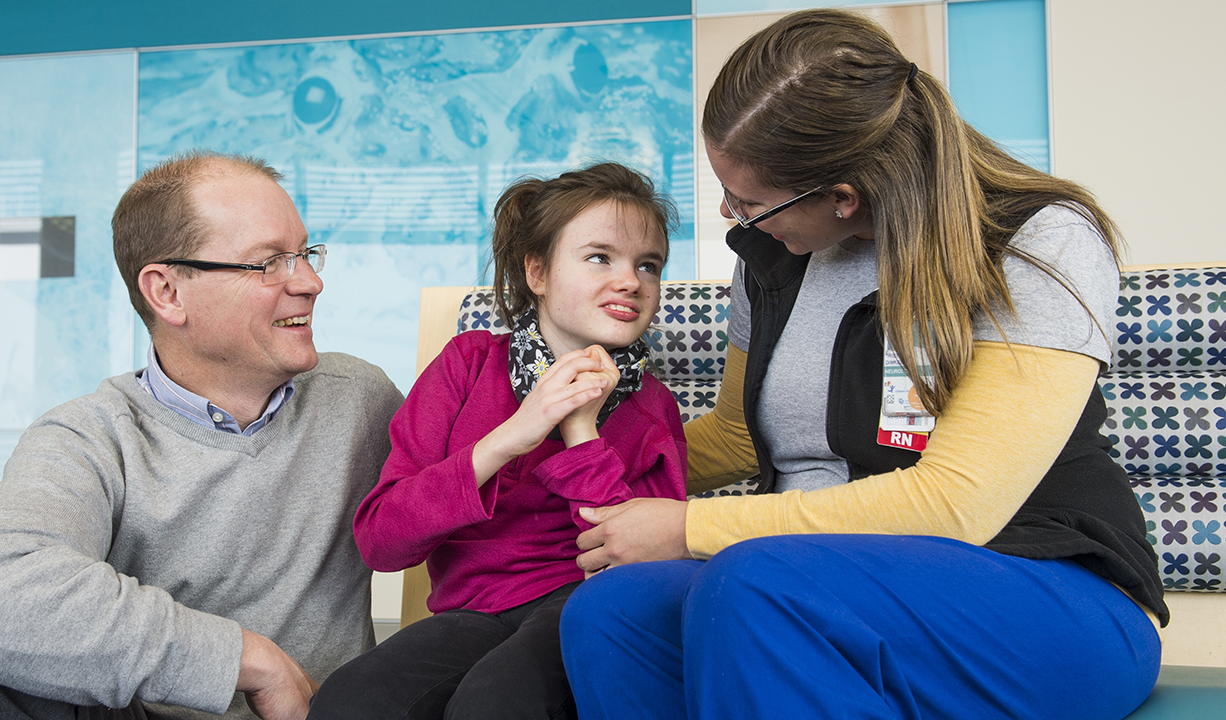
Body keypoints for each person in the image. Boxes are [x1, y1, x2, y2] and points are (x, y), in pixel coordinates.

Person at [563, 10, 1165, 720]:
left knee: (757, 583)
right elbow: (736, 435)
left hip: (1047, 592)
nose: (731, 213)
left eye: (749, 201)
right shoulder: (769, 257)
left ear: (842, 197)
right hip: (805, 584)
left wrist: (688, 528)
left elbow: (956, 504)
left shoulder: (1039, 240)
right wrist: (557, 454)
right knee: (611, 610)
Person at [0, 151, 403, 720]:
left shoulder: (359, 398)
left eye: (305, 254)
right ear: (166, 293)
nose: (310, 282)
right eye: (269, 263)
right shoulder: (90, 437)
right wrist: (248, 658)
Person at [307, 162, 687, 720]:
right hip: (473, 611)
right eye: (599, 257)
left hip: (587, 604)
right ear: (537, 271)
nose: (631, 281)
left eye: (648, 265)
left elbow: (642, 565)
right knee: (347, 702)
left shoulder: (653, 407)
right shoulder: (465, 366)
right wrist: (513, 435)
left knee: (496, 703)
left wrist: (580, 431)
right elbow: (382, 543)